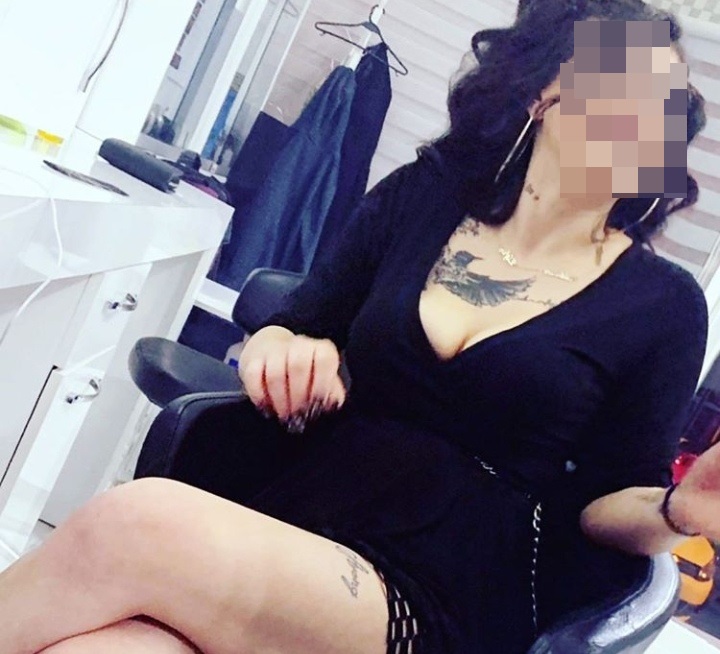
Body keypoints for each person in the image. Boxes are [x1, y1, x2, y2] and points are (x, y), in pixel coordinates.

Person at [2, 1, 717, 653]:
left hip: (444, 582)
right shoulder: (423, 196)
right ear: (542, 92)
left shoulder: (664, 305)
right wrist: (283, 351)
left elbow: (608, 502)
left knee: (135, 526)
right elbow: (296, 322)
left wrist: (676, 511)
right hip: (301, 508)